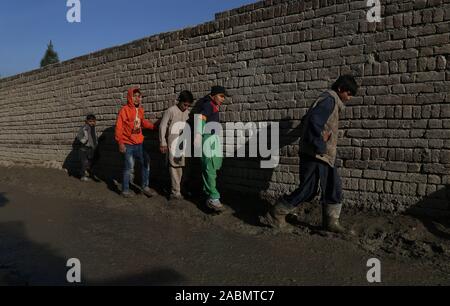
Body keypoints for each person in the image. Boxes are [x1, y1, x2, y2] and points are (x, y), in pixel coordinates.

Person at [260, 75, 359, 233]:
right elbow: (312, 120)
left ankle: (330, 222)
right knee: (314, 188)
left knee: (323, 187)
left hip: (319, 153)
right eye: (348, 93)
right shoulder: (329, 100)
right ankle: (277, 213)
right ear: (340, 89)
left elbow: (307, 119)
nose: (349, 97)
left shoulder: (325, 99)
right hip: (317, 154)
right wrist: (320, 144)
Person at [115, 87, 158, 198]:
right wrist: (120, 143)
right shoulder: (124, 110)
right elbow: (119, 128)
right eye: (135, 96)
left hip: (139, 144)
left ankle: (145, 187)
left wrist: (154, 126)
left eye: (139, 96)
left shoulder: (140, 111)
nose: (137, 98)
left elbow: (142, 122)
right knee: (128, 167)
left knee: (146, 161)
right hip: (128, 144)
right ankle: (125, 190)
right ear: (130, 97)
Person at [194, 86, 227, 212]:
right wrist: (198, 135)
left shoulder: (215, 106)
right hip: (208, 138)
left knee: (216, 164)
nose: (223, 99)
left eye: (224, 97)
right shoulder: (208, 105)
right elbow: (201, 118)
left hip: (214, 138)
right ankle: (213, 197)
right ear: (213, 95)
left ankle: (209, 192)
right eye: (221, 96)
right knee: (210, 167)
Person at [159, 90, 194, 201]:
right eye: (185, 104)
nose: (186, 107)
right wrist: (162, 142)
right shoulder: (170, 111)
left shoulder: (188, 113)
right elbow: (162, 126)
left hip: (185, 145)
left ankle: (181, 188)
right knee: (175, 168)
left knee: (185, 168)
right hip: (173, 143)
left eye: (188, 105)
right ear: (179, 101)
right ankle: (175, 192)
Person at [77, 114, 99, 182]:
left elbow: (94, 137)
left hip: (91, 148)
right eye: (90, 121)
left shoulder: (94, 128)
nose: (92, 123)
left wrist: (96, 142)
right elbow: (79, 136)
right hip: (83, 148)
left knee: (90, 161)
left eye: (93, 121)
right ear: (86, 121)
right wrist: (84, 141)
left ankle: (86, 172)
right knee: (84, 162)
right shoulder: (84, 128)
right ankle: (82, 176)